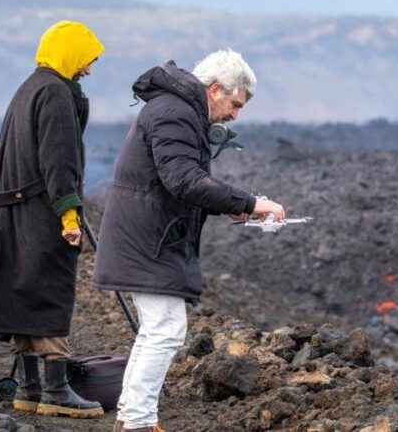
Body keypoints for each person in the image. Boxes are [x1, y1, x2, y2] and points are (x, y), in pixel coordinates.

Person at [92, 51, 285, 432]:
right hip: (149, 239)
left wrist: (230, 206)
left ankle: (134, 417)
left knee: (157, 329)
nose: (235, 116)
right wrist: (249, 202)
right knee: (165, 329)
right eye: (235, 104)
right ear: (215, 90)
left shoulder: (177, 110)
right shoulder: (174, 113)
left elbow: (183, 182)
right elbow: (183, 179)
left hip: (151, 235)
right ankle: (137, 423)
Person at [0, 20, 105, 419]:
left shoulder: (29, 87)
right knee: (50, 294)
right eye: (87, 60)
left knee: (23, 292)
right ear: (70, 53)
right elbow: (59, 161)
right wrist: (70, 215)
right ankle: (56, 392)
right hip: (41, 216)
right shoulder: (56, 92)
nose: (88, 69)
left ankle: (29, 388)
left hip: (12, 214)